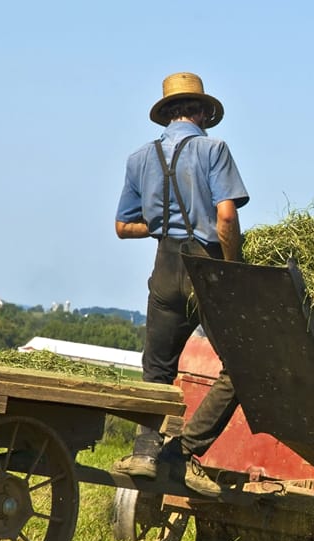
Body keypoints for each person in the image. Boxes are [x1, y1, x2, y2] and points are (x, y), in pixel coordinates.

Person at [110, 72, 250, 498]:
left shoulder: (139, 158)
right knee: (243, 367)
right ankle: (184, 452)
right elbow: (225, 216)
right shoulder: (214, 149)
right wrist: (233, 269)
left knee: (157, 368)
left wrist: (157, 224)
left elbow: (122, 226)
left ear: (167, 114)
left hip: (165, 265)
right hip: (206, 267)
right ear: (203, 112)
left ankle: (146, 452)